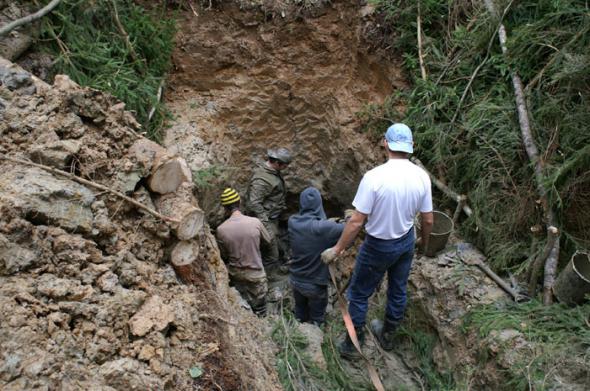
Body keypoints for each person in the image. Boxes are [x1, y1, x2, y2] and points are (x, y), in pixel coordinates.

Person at [321, 123, 434, 358]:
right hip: (406, 241)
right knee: (398, 289)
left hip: (378, 246)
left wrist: (338, 249)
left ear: (385, 143)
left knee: (359, 294)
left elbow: (356, 221)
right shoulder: (422, 177)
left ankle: (353, 344)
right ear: (411, 146)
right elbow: (428, 219)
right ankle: (388, 334)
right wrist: (422, 245)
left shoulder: (374, 177)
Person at [288, 187, 344, 326]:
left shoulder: (292, 222)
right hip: (315, 285)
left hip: (296, 280)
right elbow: (349, 228)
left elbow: (313, 227)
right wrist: (347, 218)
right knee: (317, 319)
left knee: (300, 313)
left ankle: (297, 335)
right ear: (319, 204)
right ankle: (315, 337)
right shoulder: (323, 228)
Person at [216, 188, 271, 316]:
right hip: (256, 273)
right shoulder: (255, 222)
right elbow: (267, 241)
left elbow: (224, 255)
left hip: (236, 274)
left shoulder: (221, 229)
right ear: (239, 202)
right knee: (260, 308)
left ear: (225, 208)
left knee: (243, 308)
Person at [246, 147, 292, 274]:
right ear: (277, 163)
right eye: (285, 166)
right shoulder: (262, 180)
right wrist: (266, 226)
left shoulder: (271, 172)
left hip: (272, 216)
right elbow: (254, 204)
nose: (286, 168)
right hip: (264, 220)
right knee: (272, 254)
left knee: (276, 241)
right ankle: (270, 277)